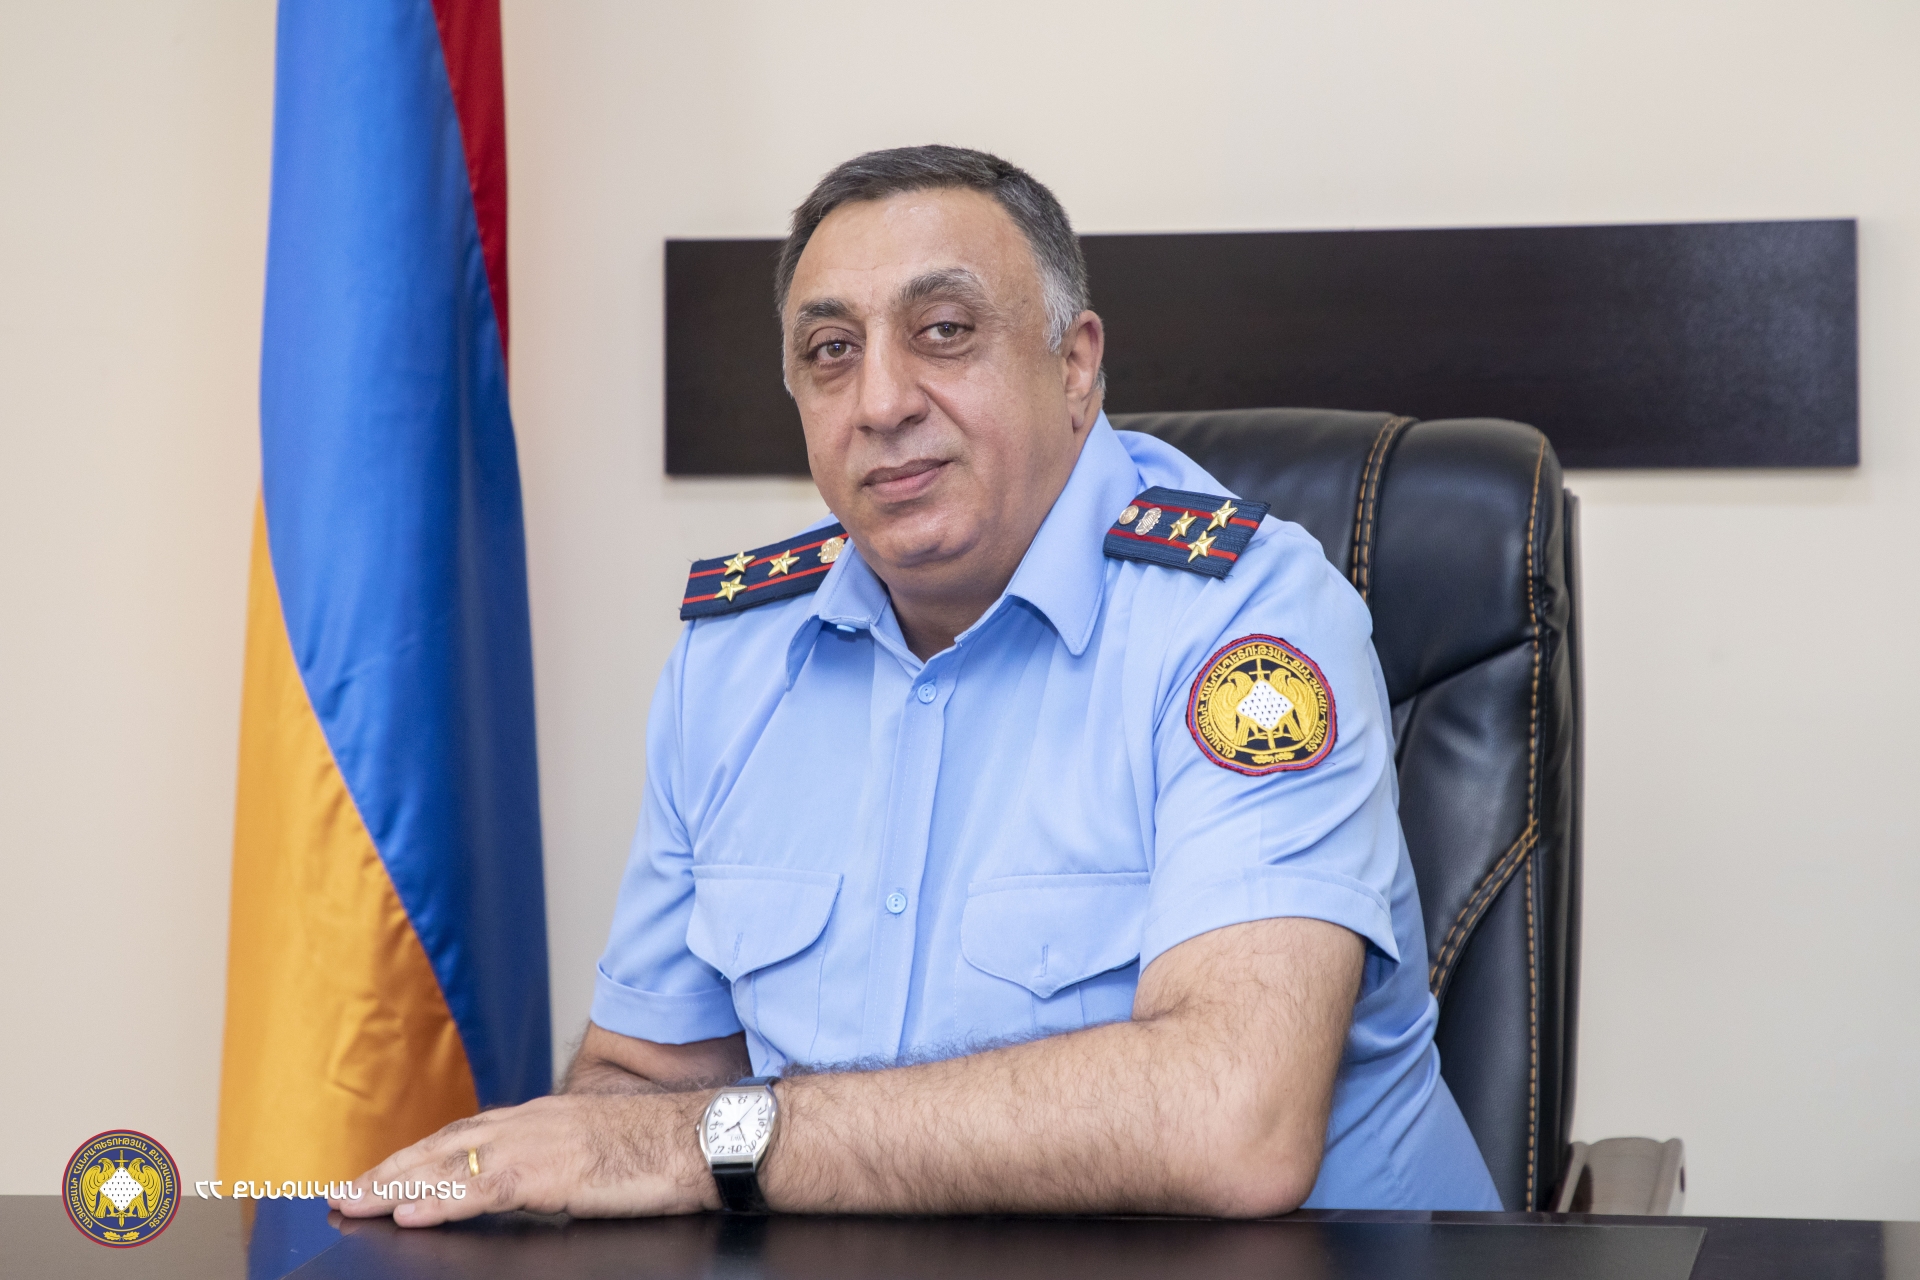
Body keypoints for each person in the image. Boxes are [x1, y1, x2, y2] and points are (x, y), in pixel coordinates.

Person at [333, 144, 1500, 1225]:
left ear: (1075, 364)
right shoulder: (736, 657)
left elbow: (1232, 1122)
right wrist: (607, 1149)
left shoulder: (1245, 624)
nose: (881, 401)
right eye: (830, 352)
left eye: (943, 331)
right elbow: (641, 1082)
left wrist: (716, 1142)